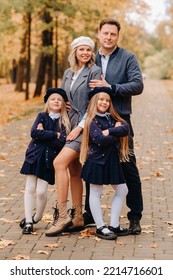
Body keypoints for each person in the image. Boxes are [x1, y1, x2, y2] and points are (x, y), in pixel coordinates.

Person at [84, 18, 144, 234]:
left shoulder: (128, 57)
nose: (108, 37)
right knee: (92, 165)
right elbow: (79, 82)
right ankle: (89, 215)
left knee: (128, 166)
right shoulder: (90, 58)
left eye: (113, 34)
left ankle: (135, 216)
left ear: (117, 36)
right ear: (98, 33)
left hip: (120, 121)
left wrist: (111, 87)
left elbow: (138, 85)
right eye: (105, 33)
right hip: (94, 120)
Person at [45, 36, 102, 237]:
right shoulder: (68, 73)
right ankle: (78, 217)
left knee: (59, 163)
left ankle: (62, 217)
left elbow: (94, 103)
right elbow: (62, 95)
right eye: (81, 50)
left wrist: (79, 127)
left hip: (84, 126)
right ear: (75, 52)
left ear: (91, 52)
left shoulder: (94, 71)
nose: (85, 53)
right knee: (74, 170)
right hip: (68, 124)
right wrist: (62, 103)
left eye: (88, 49)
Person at [80, 87, 129, 240]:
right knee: (95, 193)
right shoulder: (91, 119)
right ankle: (100, 227)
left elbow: (125, 128)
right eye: (101, 99)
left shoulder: (111, 117)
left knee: (122, 190)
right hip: (96, 161)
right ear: (95, 101)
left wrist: (108, 131)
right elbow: (100, 140)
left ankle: (114, 224)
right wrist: (114, 131)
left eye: (107, 100)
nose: (104, 102)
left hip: (111, 161)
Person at [19, 88, 70, 234]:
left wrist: (45, 134)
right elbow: (34, 133)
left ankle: (37, 216)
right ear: (47, 102)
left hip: (49, 160)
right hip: (33, 157)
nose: (55, 101)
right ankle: (29, 222)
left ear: (63, 104)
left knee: (41, 192)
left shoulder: (64, 121)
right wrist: (54, 134)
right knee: (29, 188)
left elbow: (62, 143)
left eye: (59, 99)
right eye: (52, 99)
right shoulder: (41, 116)